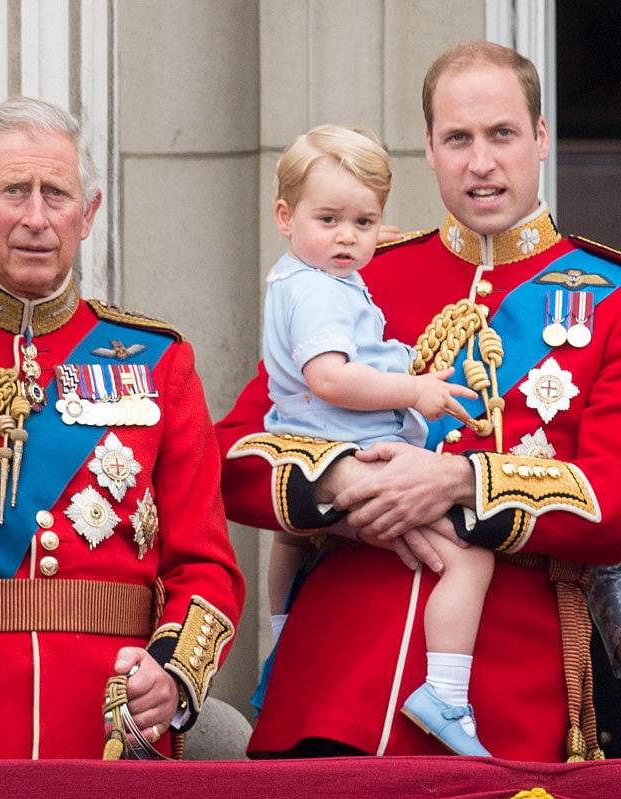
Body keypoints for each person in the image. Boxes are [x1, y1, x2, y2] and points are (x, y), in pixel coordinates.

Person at [216, 40, 620, 762]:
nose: (481, 162)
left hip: (505, 703)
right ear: (429, 148)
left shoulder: (610, 296)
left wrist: (461, 480)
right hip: (329, 689)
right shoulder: (360, 274)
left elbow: (613, 498)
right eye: (458, 139)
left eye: (501, 134)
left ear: (542, 138)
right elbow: (234, 453)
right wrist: (347, 483)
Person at [0, 96, 245, 759]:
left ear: (87, 214)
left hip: (113, 720)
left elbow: (205, 563)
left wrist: (174, 673)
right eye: (14, 191)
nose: (36, 217)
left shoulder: (157, 358)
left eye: (56, 194)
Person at [260, 123, 492, 756]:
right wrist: (415, 392)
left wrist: (354, 232)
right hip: (351, 446)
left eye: (364, 222)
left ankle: (278, 643)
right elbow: (328, 378)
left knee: (291, 539)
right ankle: (445, 692)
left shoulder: (303, 272)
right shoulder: (328, 286)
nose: (348, 237)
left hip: (305, 441)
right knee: (469, 553)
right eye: (330, 219)